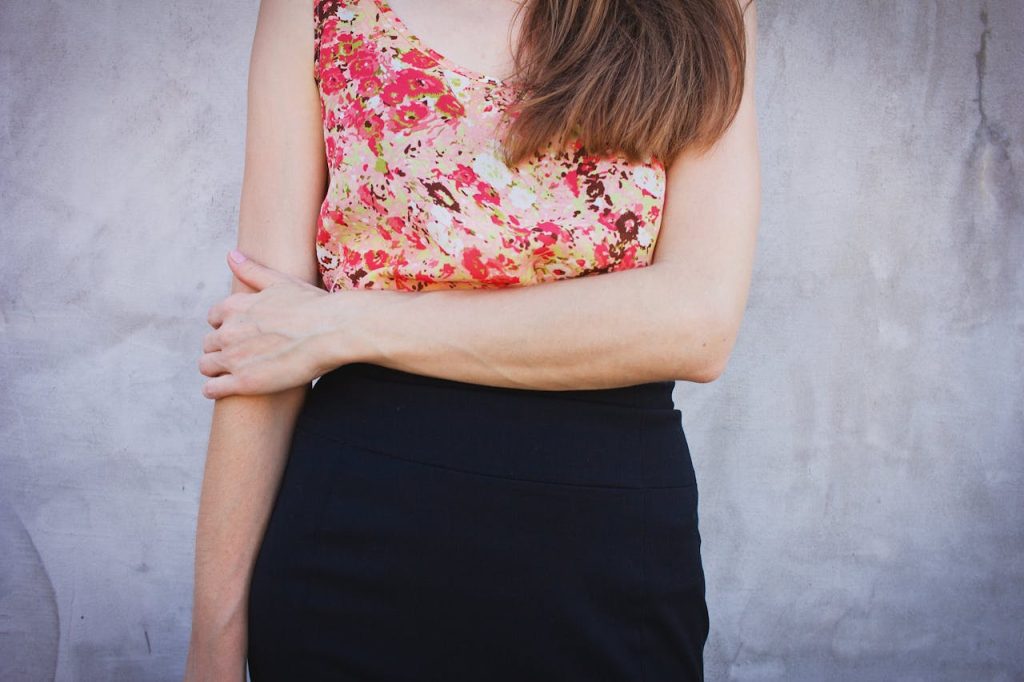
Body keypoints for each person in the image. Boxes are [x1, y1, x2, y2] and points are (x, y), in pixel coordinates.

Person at [185, 0, 759, 679]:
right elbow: (264, 339)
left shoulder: (703, 9)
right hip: (351, 550)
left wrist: (347, 322)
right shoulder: (316, 8)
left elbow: (696, 325)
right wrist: (212, 644)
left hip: (604, 557)